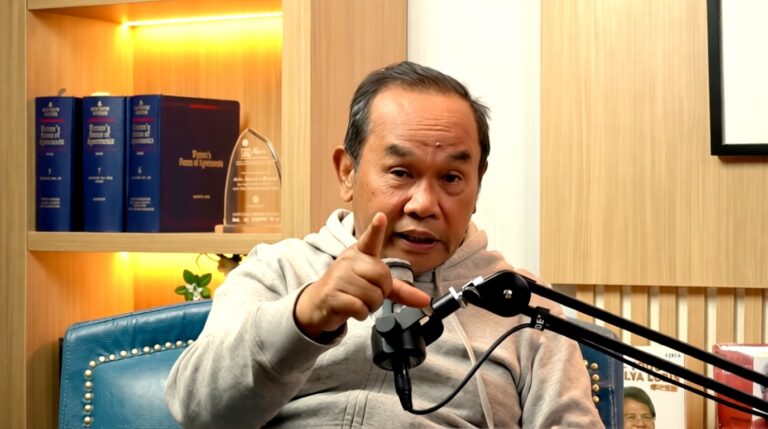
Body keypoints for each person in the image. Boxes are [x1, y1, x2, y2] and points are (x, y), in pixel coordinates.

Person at [165, 61, 603, 428]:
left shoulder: (518, 303)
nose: (425, 204)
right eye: (400, 172)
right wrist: (303, 319)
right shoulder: (278, 270)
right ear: (347, 173)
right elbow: (197, 410)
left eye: (451, 178)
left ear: (477, 184)